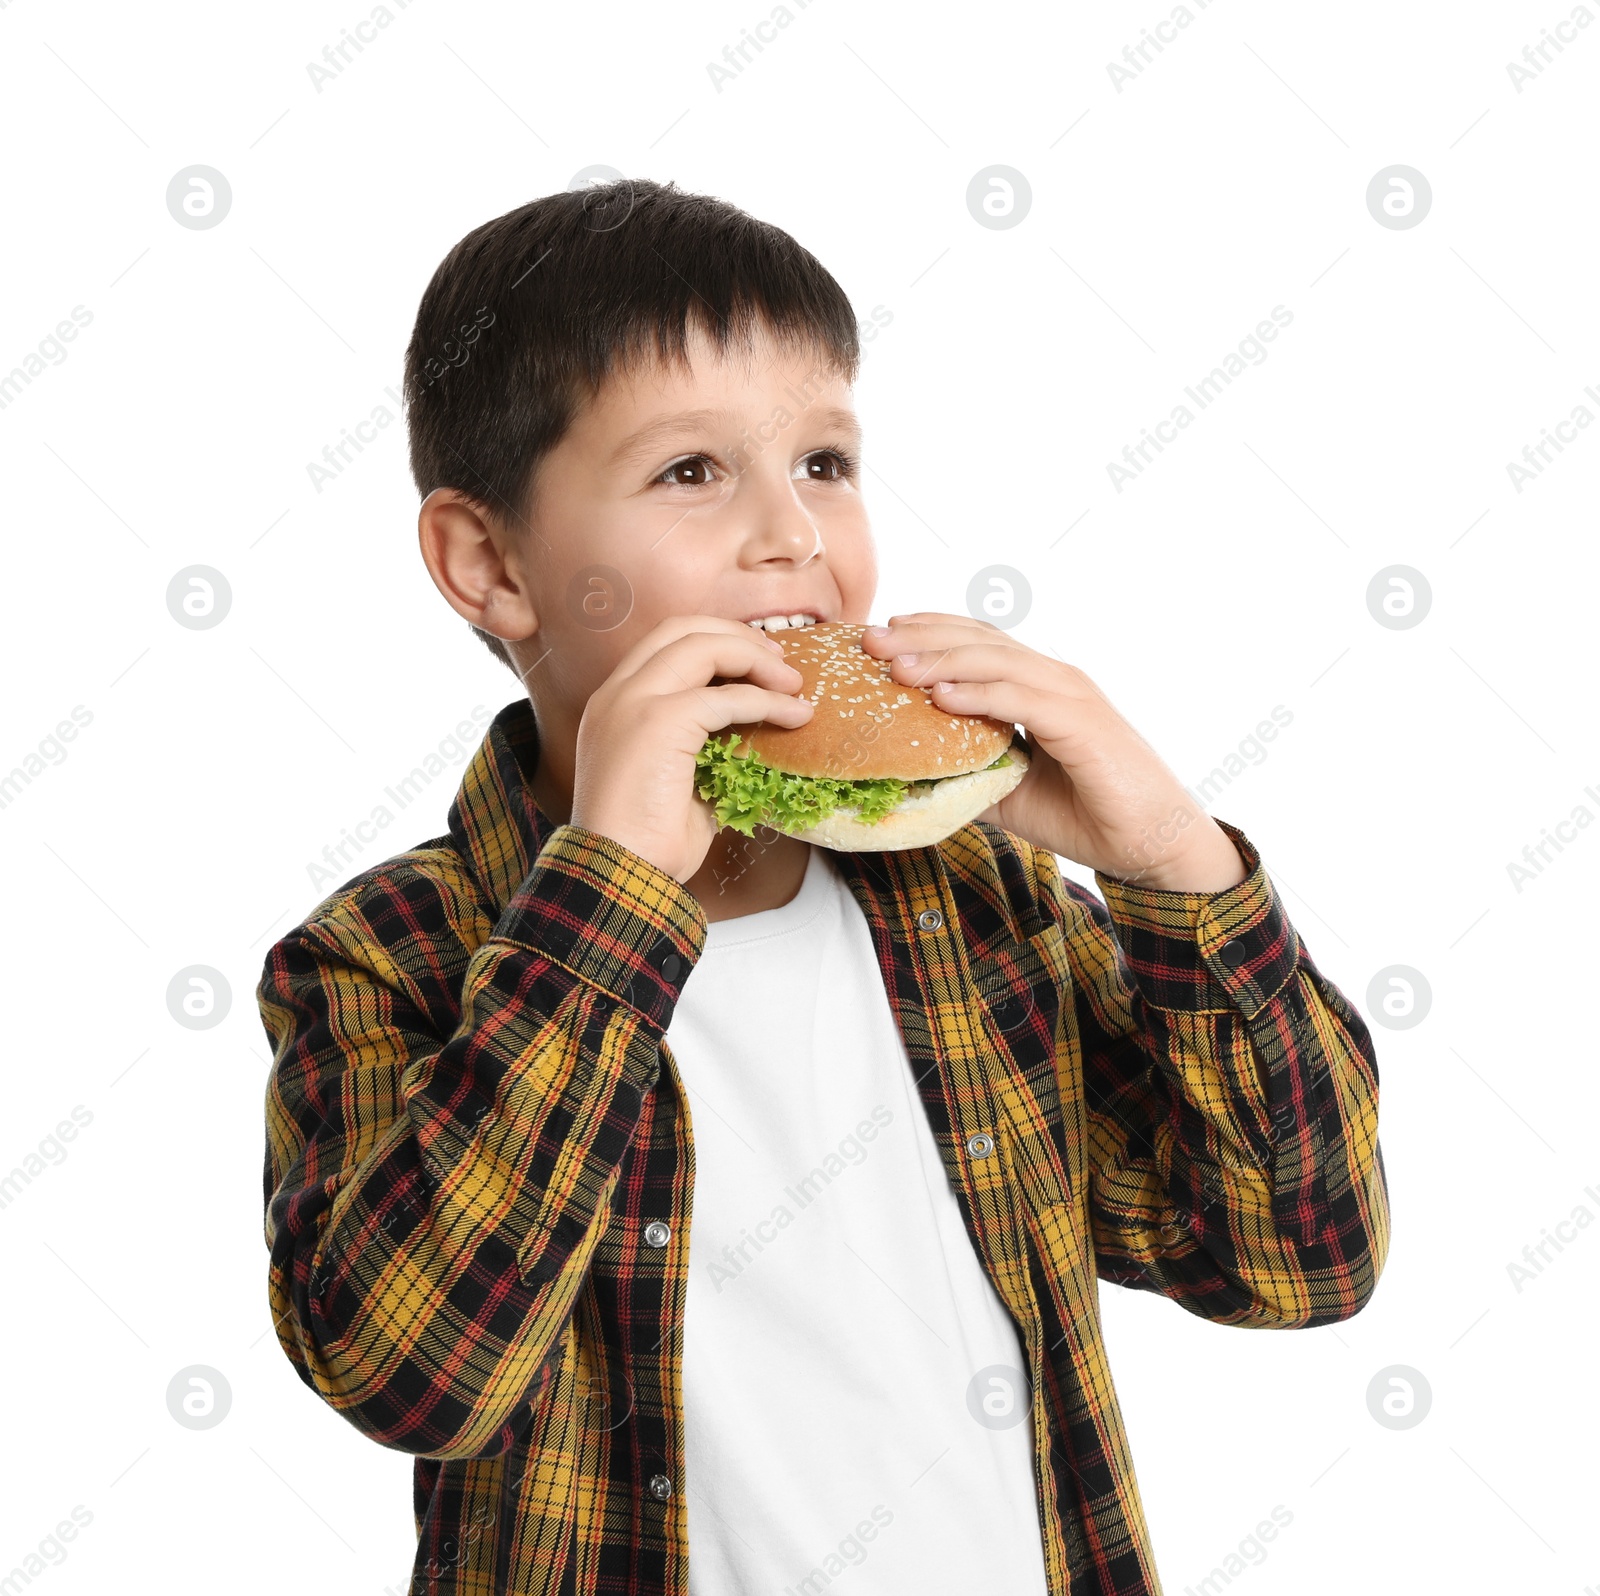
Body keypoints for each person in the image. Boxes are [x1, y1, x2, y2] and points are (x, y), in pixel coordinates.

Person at [259, 178, 1388, 1596]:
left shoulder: (977, 895)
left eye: (826, 463)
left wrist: (1174, 864)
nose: (792, 537)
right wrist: (604, 899)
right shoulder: (381, 956)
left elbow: (1302, 1257)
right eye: (691, 472)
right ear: (490, 564)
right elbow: (408, 1373)